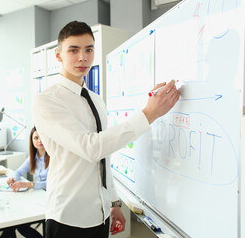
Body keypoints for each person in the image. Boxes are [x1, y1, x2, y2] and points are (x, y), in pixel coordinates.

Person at [32, 21, 180, 238]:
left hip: (100, 215)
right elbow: (90, 148)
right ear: (58, 55)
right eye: (73, 50)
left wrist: (113, 202)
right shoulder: (46, 101)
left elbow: (103, 158)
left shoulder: (96, 100)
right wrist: (148, 114)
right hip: (68, 216)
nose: (83, 57)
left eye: (89, 50)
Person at [0, 127, 49, 238]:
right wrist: (12, 178)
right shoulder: (34, 157)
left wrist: (29, 184)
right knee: (15, 221)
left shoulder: (53, 157)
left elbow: (51, 183)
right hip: (37, 196)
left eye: (42, 137)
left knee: (17, 223)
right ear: (32, 140)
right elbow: (19, 171)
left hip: (50, 197)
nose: (39, 141)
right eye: (36, 138)